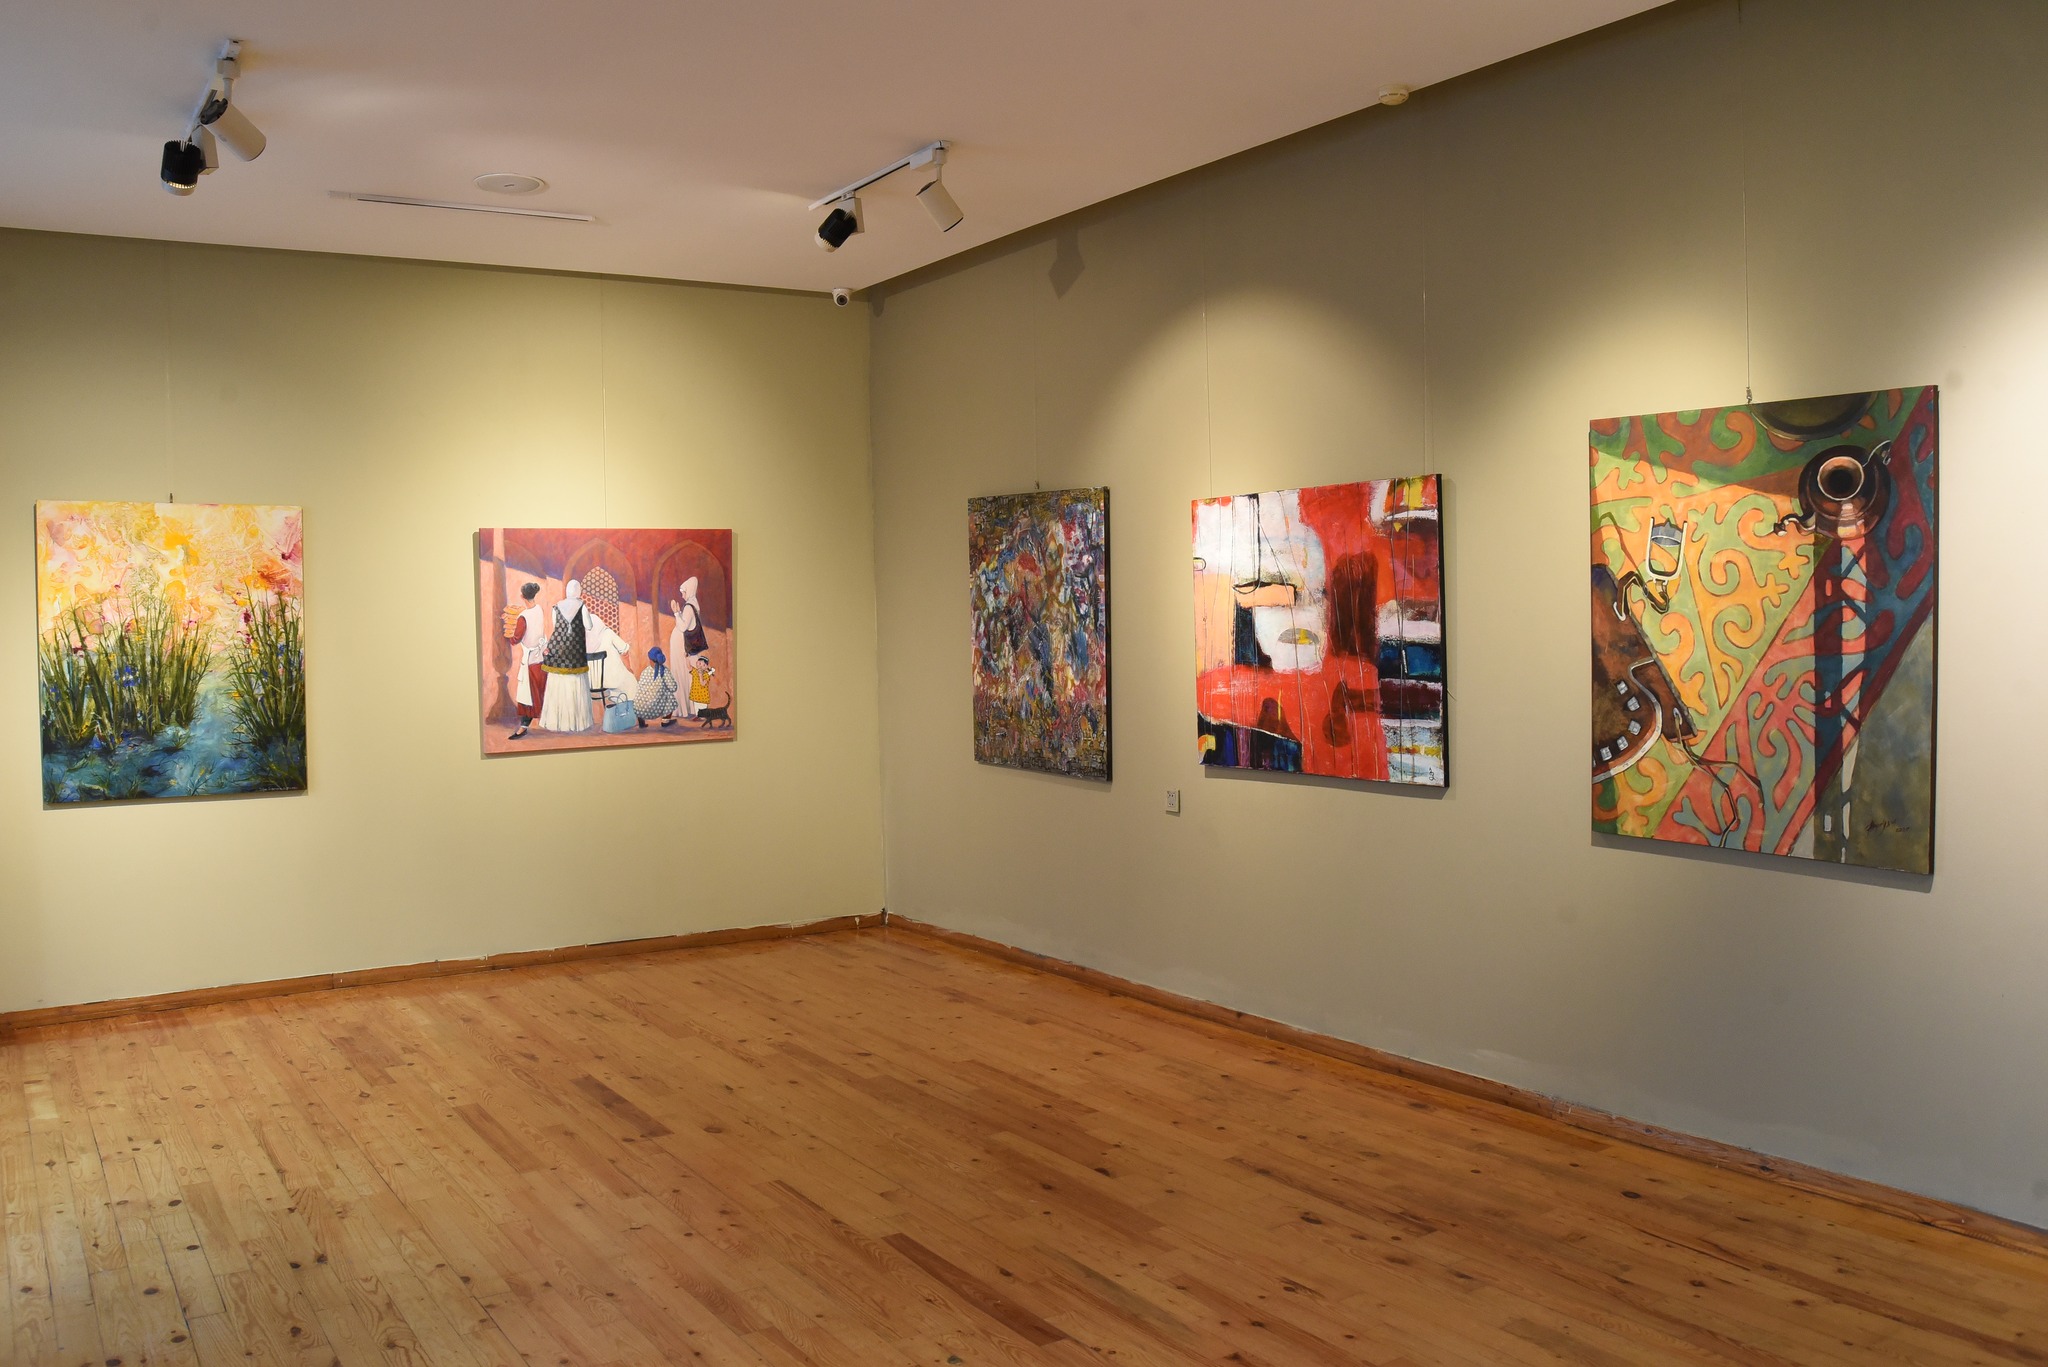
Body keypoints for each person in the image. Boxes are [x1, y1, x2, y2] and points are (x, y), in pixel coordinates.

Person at [538, 580, 627, 733]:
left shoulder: (556, 607)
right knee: (575, 683)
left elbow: (555, 626)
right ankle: (576, 723)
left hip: (558, 652)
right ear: (578, 591)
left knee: (558, 684)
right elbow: (589, 626)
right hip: (575, 652)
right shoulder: (582, 607)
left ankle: (556, 723)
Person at [504, 582, 546, 739]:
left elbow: (516, 638)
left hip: (530, 660)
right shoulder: (539, 610)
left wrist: (507, 637)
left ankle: (523, 727)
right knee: (539, 692)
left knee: (527, 695)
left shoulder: (523, 617)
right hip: (541, 657)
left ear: (522, 596)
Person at [634, 646, 680, 727]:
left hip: (641, 708)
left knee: (640, 696)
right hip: (656, 707)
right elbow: (673, 688)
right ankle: (665, 721)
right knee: (669, 696)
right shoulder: (664, 671)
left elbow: (639, 687)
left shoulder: (645, 671)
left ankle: (641, 722)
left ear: (650, 659)